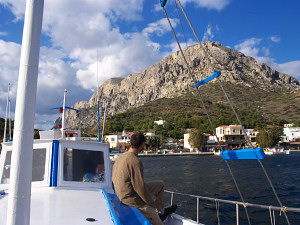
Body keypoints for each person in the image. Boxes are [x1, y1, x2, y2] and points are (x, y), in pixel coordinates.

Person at [112, 133, 177, 225]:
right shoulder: (135, 161)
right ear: (142, 145)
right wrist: (151, 204)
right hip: (131, 199)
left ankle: (161, 212)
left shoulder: (120, 158)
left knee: (160, 185)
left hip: (121, 194)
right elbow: (140, 188)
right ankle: (156, 214)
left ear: (130, 142)